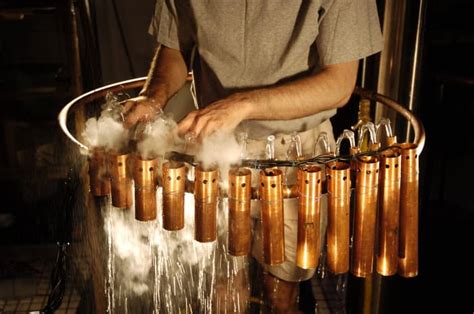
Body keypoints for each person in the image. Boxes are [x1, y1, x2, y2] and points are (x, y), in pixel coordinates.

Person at [124, 1, 383, 312]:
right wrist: (154, 96)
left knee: (282, 292)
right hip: (214, 149)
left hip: (297, 155)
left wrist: (242, 104)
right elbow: (175, 47)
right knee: (220, 287)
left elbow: (339, 84)